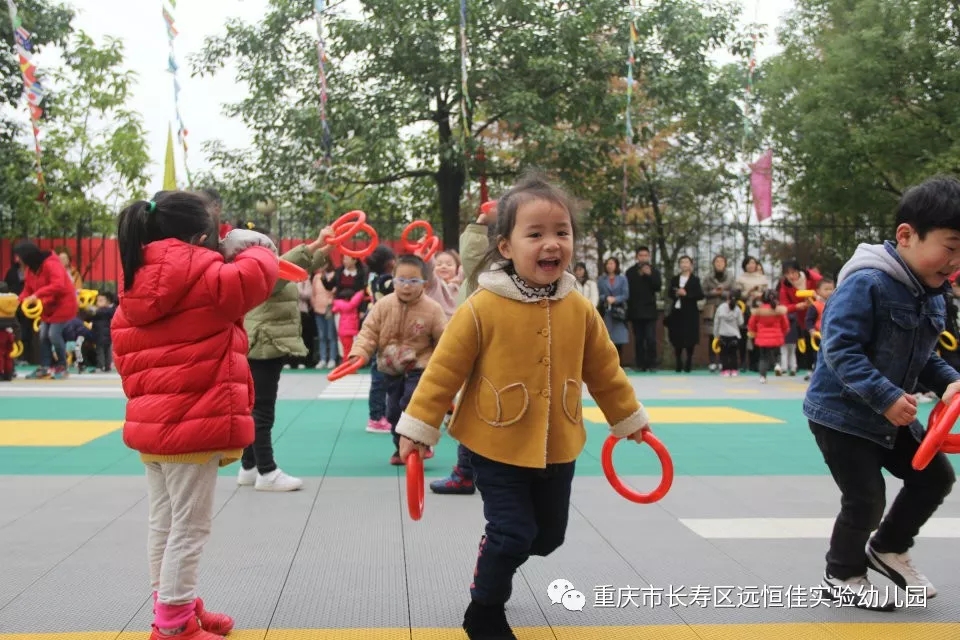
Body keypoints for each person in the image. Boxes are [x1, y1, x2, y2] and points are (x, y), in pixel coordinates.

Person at [393, 172, 654, 639]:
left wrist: (627, 419)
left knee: (547, 538)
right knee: (513, 533)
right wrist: (418, 426)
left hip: (560, 445)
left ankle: (500, 551)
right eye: (535, 234)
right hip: (495, 442)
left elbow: (605, 370)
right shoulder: (483, 306)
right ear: (506, 247)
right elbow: (444, 371)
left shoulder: (579, 308)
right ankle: (485, 610)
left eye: (561, 232)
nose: (551, 243)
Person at [111, 191, 279, 639]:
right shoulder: (206, 275)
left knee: (164, 524)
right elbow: (256, 279)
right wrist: (256, 243)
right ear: (201, 235)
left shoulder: (134, 279)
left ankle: (174, 607)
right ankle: (173, 625)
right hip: (193, 424)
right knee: (189, 528)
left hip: (152, 428)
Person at [803, 176, 960, 610]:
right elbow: (839, 349)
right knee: (865, 497)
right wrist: (887, 396)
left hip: (892, 413)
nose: (955, 262)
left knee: (935, 477)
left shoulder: (932, 293)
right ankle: (842, 572)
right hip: (842, 415)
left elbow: (923, 356)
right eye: (951, 247)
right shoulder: (866, 282)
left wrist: (948, 380)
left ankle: (889, 546)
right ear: (907, 235)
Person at [237, 224, 332, 491]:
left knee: (255, 408)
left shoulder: (259, 266)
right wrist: (314, 244)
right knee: (262, 411)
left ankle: (249, 466)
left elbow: (296, 269)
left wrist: (327, 248)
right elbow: (281, 270)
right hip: (263, 344)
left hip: (264, 342)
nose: (273, 248)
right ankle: (266, 471)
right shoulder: (256, 270)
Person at [343, 254, 447, 464]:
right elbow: (369, 332)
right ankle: (398, 446)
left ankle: (421, 443)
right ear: (393, 279)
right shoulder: (383, 305)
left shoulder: (432, 309)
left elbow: (444, 339)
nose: (406, 286)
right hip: (391, 367)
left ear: (424, 283)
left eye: (413, 281)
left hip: (419, 366)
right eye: (401, 280)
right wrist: (359, 353)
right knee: (392, 412)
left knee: (411, 402)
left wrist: (443, 367)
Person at [14, 241, 80, 379]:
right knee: (43, 335)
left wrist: (37, 295)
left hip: (63, 304)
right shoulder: (30, 269)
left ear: (27, 255)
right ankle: (45, 367)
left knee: (53, 334)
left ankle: (62, 366)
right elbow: (28, 289)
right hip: (47, 306)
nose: (17, 260)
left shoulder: (51, 263)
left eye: (19, 256)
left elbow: (58, 285)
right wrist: (18, 300)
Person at [712, 289, 743, 376]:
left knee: (724, 354)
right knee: (733, 354)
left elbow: (716, 322)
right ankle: (734, 370)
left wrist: (715, 334)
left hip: (723, 334)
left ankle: (725, 370)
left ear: (727, 298)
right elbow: (741, 322)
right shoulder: (737, 309)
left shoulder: (721, 308)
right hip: (734, 335)